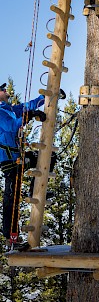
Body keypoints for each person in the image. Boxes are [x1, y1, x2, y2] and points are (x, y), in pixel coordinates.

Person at [0, 82, 46, 249]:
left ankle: (37, 190)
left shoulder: (9, 109)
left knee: (47, 157)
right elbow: (12, 126)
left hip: (17, 157)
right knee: (11, 198)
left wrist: (44, 98)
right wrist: (30, 115)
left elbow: (28, 106)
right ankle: (10, 238)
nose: (6, 91)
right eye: (2, 90)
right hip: (8, 159)